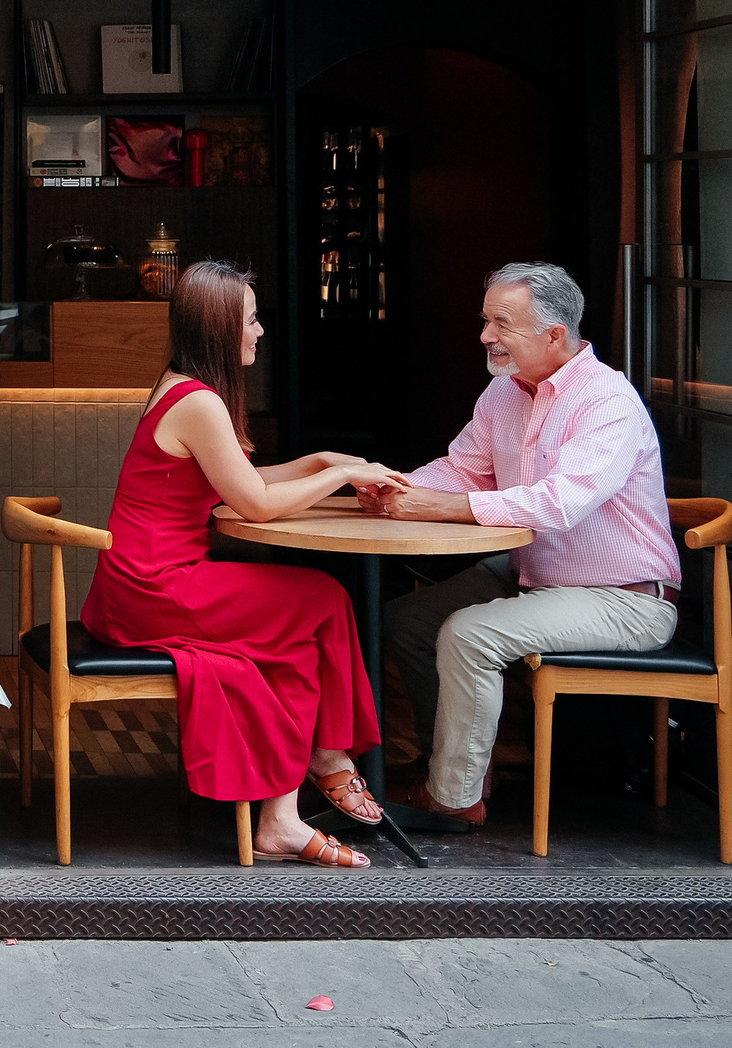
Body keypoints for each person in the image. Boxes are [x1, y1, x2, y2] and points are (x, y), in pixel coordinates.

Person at [79, 261, 402, 867]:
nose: (259, 332)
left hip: (142, 583)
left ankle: (283, 816)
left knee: (304, 632)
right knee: (322, 598)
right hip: (158, 587)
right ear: (220, 328)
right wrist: (339, 474)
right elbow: (253, 502)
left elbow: (236, 481)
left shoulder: (182, 385)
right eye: (252, 320)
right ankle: (327, 759)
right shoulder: (198, 402)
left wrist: (317, 461)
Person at [367, 262, 681, 827]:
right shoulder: (503, 395)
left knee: (468, 634)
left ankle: (453, 800)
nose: (486, 336)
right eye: (486, 320)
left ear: (554, 334)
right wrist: (397, 485)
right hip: (534, 574)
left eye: (501, 323)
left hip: (625, 598)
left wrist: (445, 507)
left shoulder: (607, 400)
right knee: (409, 621)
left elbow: (559, 503)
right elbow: (464, 469)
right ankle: (460, 765)